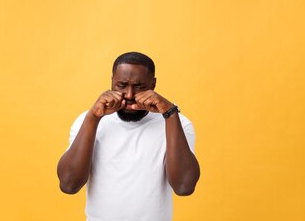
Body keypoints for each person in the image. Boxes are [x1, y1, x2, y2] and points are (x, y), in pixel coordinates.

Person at [57, 52, 200, 221]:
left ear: (153, 84)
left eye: (139, 87)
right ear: (111, 82)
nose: (130, 95)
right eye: (121, 85)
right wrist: (93, 118)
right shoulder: (88, 121)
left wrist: (170, 113)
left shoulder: (177, 123)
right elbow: (68, 184)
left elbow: (184, 186)